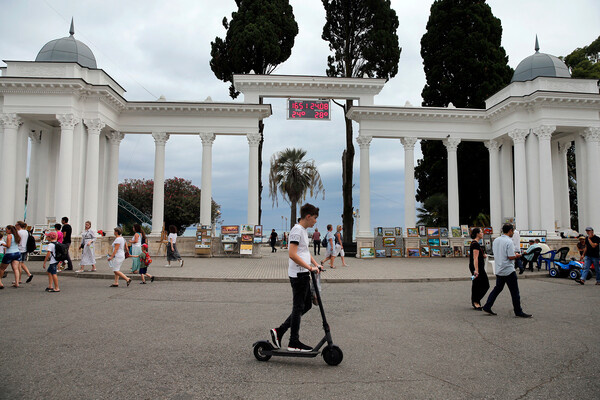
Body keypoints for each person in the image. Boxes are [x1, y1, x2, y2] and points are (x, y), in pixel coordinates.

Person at [270, 203, 321, 352]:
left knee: (306, 305)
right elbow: (292, 254)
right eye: (315, 218)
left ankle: (279, 331)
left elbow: (304, 251)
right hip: (299, 275)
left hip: (304, 273)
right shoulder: (296, 230)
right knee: (299, 307)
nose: (316, 221)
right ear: (308, 216)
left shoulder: (303, 230)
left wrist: (316, 264)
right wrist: (309, 267)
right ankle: (293, 342)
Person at [482, 223, 532, 318]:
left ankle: (487, 305)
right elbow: (510, 256)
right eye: (512, 231)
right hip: (508, 270)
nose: (513, 233)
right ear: (510, 231)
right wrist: (518, 255)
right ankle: (518, 311)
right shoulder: (509, 242)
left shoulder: (496, 240)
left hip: (499, 268)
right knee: (514, 292)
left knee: (497, 289)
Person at [469, 227, 489, 310]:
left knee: (478, 284)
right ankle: (476, 301)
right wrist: (476, 270)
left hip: (478, 266)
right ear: (477, 234)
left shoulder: (475, 243)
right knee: (483, 284)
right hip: (477, 267)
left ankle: (476, 301)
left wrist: (483, 255)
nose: (482, 233)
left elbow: (477, 256)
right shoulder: (475, 244)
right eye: (481, 232)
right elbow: (475, 258)